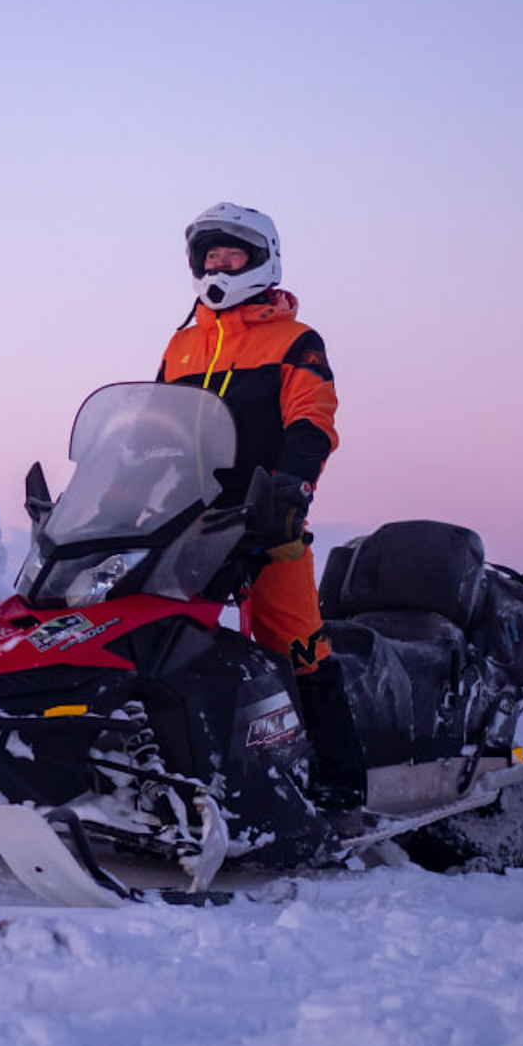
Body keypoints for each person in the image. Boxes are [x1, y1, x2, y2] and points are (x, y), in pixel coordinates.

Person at [157, 202, 367, 813]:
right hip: (186, 521)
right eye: (211, 256)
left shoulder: (295, 340)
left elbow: (311, 420)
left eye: (233, 256)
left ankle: (339, 786)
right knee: (156, 633)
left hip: (266, 514)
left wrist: (291, 489)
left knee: (295, 642)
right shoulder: (182, 345)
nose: (220, 266)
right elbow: (153, 429)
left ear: (262, 261)